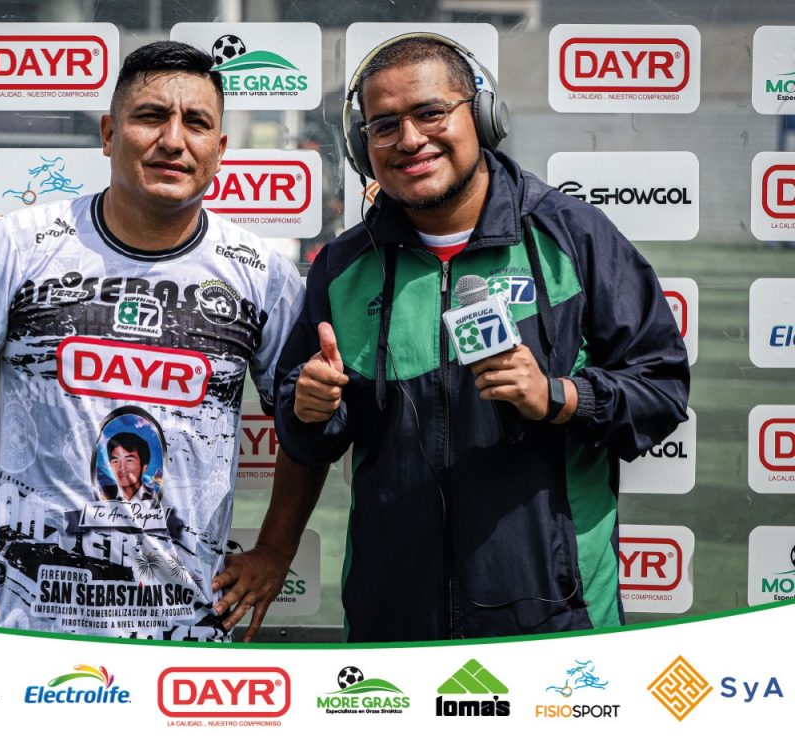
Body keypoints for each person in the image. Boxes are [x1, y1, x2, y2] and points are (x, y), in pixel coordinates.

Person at [217, 34, 690, 641]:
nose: (410, 139)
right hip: (393, 624)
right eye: (385, 125)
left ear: (484, 117)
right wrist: (309, 410)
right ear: (364, 147)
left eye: (431, 113)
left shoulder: (573, 238)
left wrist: (558, 397)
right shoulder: (342, 268)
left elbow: (661, 388)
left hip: (552, 624)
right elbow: (310, 439)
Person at [0, 41, 306, 641]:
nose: (173, 140)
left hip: (188, 635)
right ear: (109, 134)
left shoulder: (261, 274)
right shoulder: (22, 245)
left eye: (195, 123)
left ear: (219, 150)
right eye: (150, 117)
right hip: (31, 627)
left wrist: (276, 551)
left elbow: (307, 420)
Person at [101, 433, 154, 502]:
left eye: (129, 460)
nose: (122, 467)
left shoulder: (155, 496)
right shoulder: (101, 493)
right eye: (116, 461)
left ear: (144, 466)